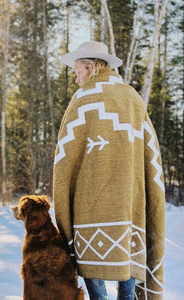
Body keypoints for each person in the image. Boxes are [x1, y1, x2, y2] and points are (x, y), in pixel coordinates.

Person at [53, 41, 165, 300]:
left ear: (91, 67)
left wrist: (64, 206)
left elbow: (64, 160)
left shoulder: (82, 99)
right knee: (127, 287)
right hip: (130, 211)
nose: (77, 79)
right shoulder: (133, 98)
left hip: (90, 214)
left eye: (78, 71)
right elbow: (152, 157)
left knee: (97, 290)